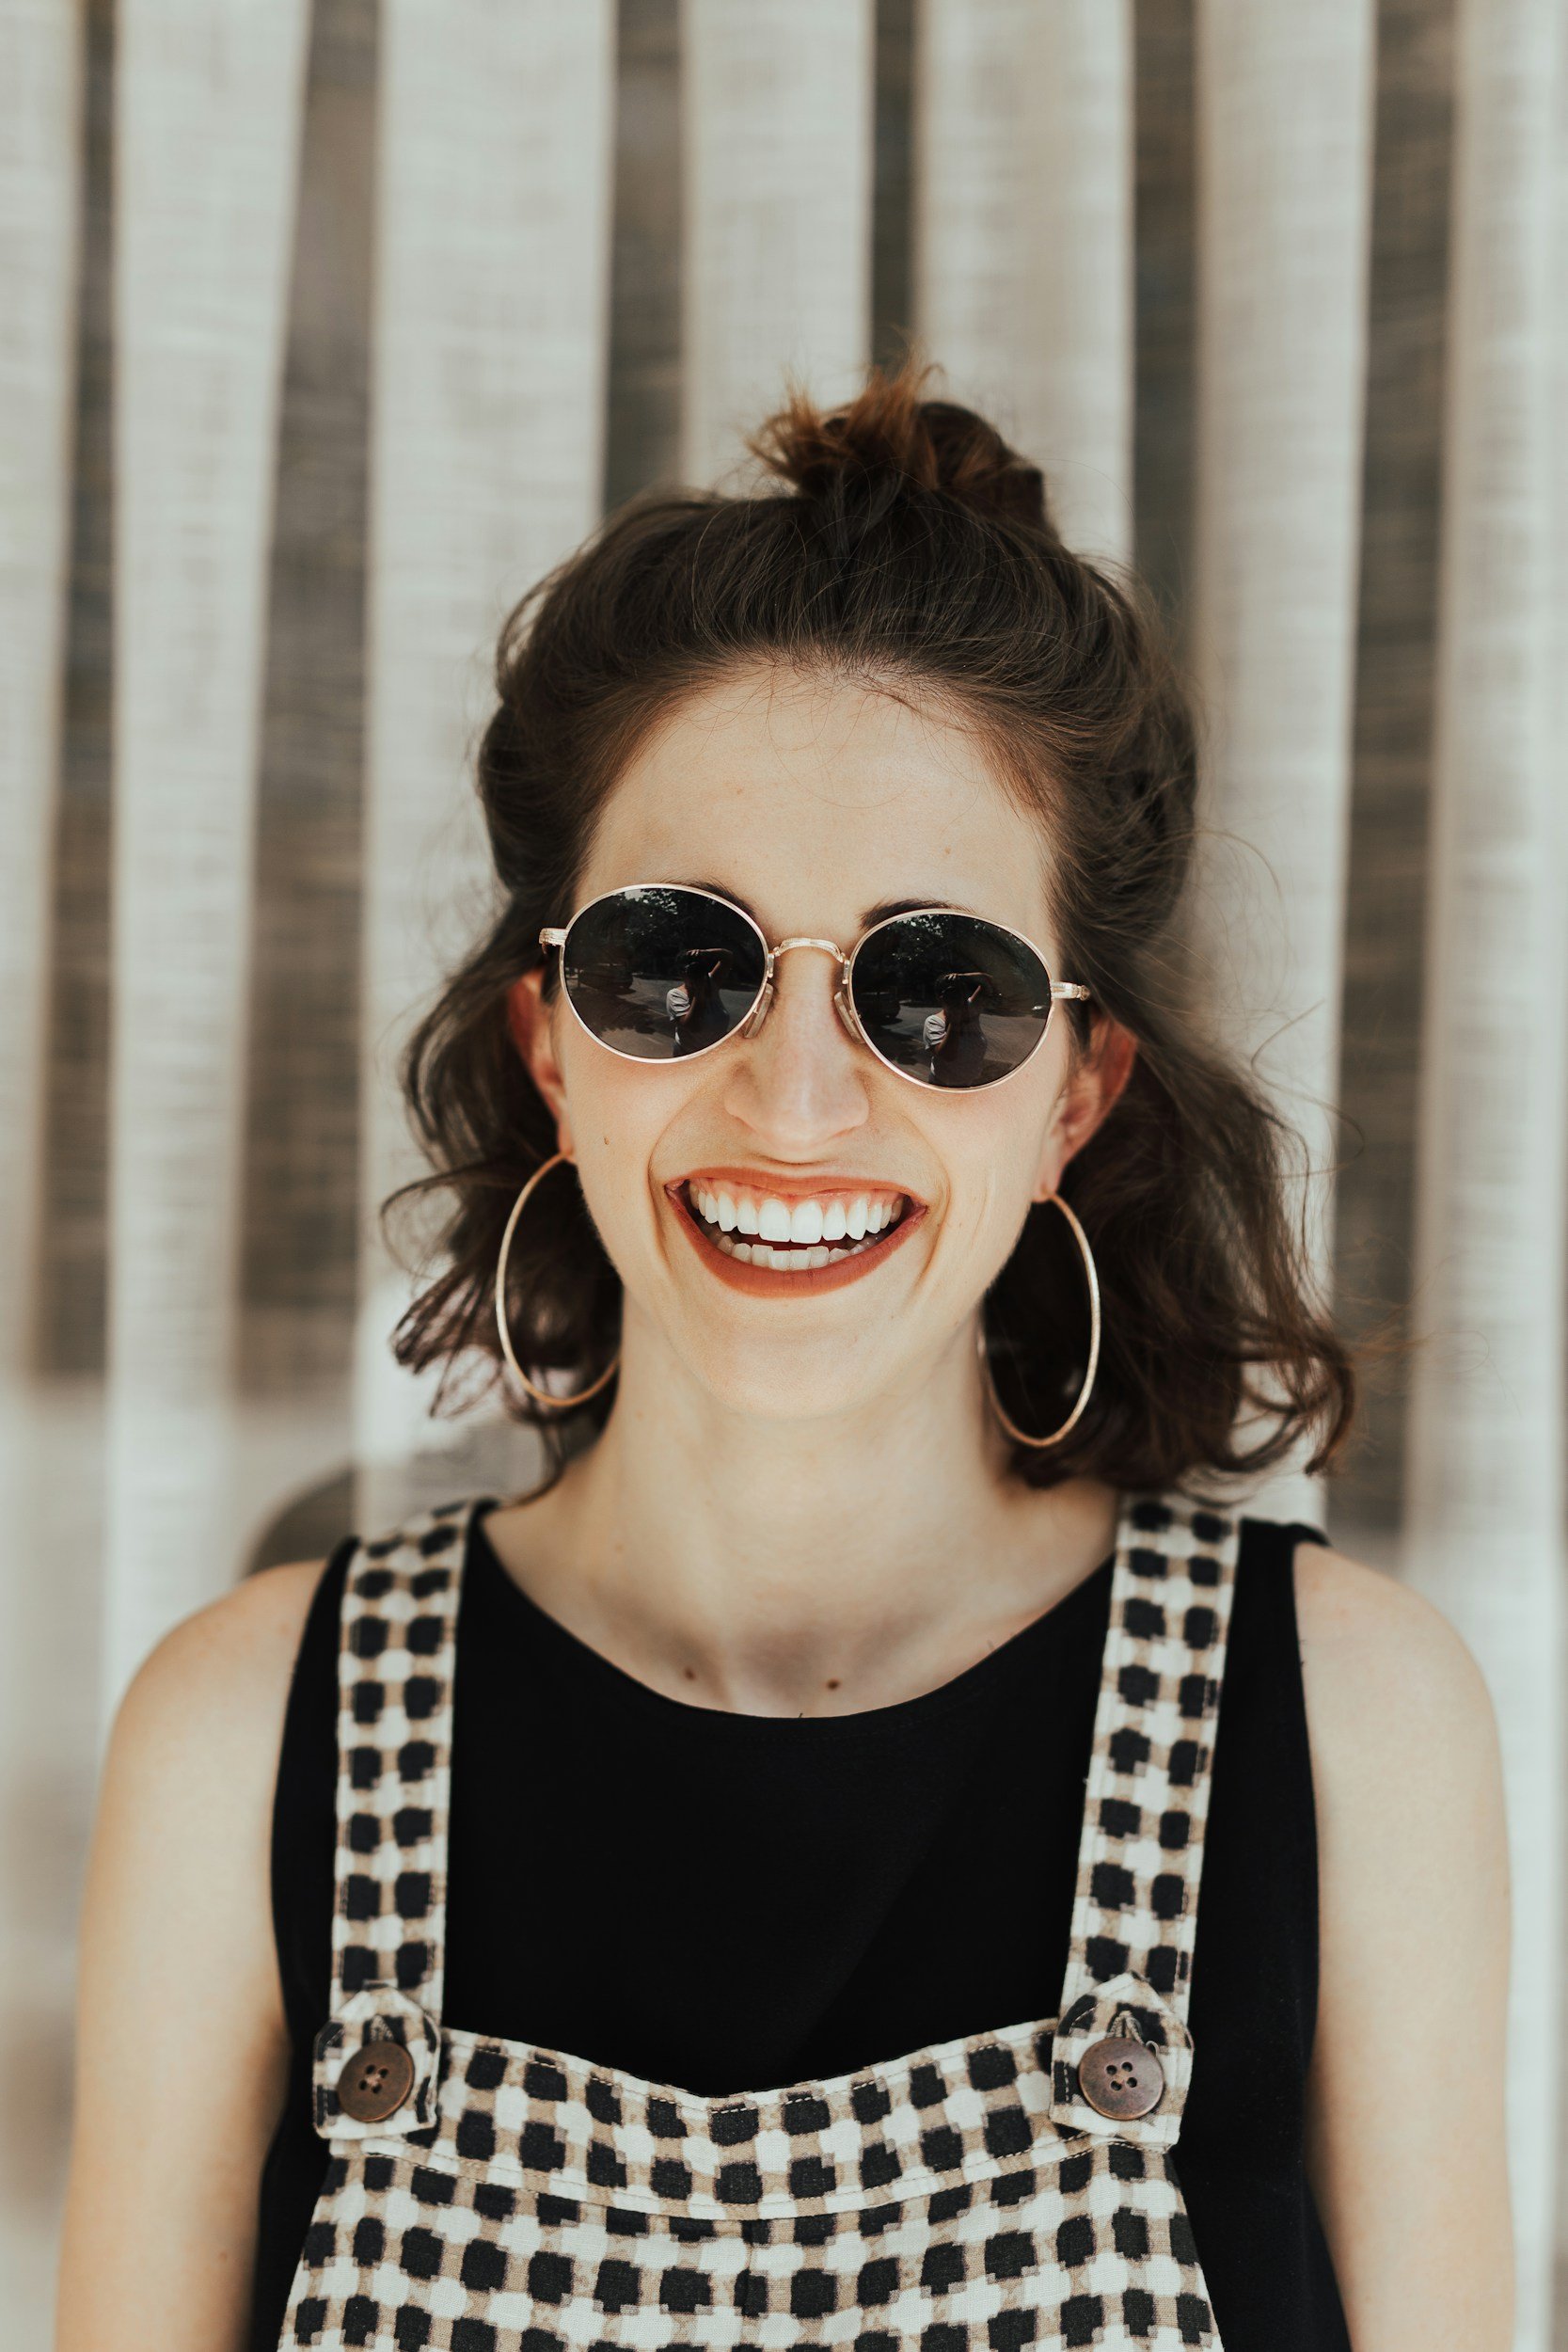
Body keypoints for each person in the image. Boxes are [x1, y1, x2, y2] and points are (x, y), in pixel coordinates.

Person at [55, 367, 1511, 2352]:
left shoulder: (1350, 1724)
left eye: (938, 986)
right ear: (553, 1039)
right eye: (684, 962)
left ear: (1075, 1095)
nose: (800, 1099)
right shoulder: (239, 1735)